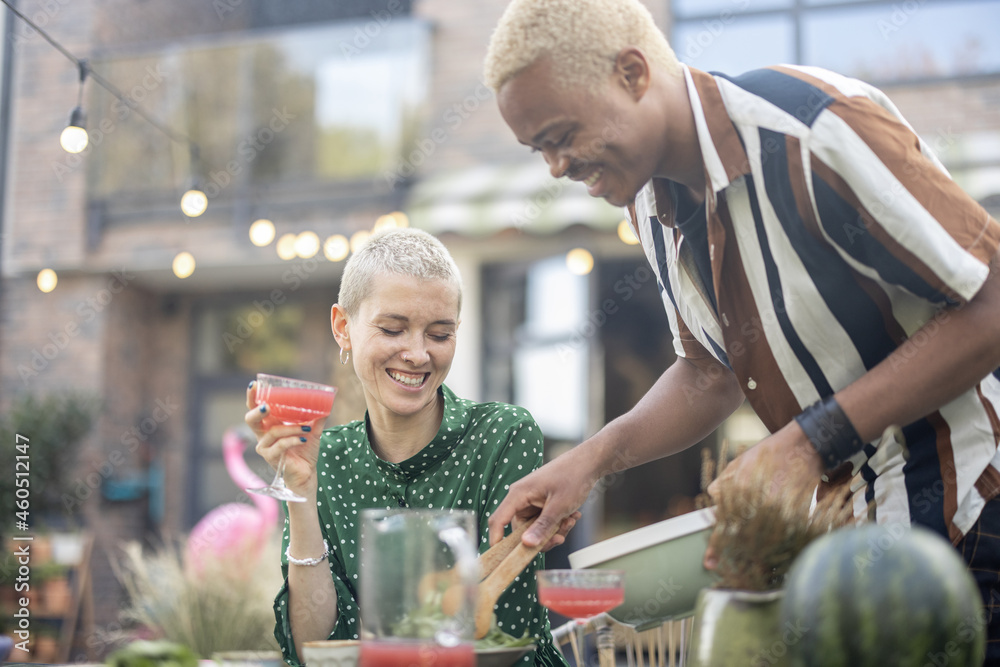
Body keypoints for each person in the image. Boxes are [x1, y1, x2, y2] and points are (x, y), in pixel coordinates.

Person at [483, 0, 1000, 657]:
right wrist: (589, 462)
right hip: (854, 557)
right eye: (539, 150)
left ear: (634, 74)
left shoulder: (812, 130)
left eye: (561, 136)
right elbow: (708, 371)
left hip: (977, 518)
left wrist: (810, 441)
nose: (555, 167)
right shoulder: (647, 201)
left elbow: (991, 303)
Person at [245, 228, 572, 667]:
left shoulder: (503, 435)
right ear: (344, 328)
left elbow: (502, 637)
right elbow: (313, 649)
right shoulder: (324, 456)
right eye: (393, 329)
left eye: (439, 335)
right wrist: (300, 494)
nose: (417, 354)